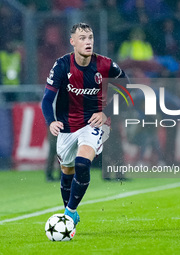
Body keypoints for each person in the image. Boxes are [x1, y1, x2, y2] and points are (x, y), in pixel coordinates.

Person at [41, 23, 127, 226]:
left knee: (82, 163)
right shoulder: (62, 65)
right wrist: (50, 121)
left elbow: (127, 89)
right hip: (67, 127)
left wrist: (105, 112)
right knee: (67, 173)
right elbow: (47, 99)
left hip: (93, 124)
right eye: (82, 38)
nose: (87, 41)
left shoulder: (105, 64)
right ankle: (70, 211)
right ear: (72, 42)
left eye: (90, 37)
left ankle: (69, 213)